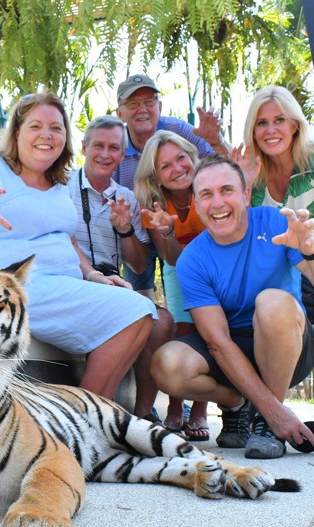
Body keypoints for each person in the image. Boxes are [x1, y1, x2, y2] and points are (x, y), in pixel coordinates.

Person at [0, 92, 157, 401]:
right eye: (36, 126)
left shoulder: (58, 180)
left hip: (63, 285)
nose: (46, 135)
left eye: (56, 127)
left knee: (138, 309)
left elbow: (66, 238)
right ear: (17, 132)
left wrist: (93, 276)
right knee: (137, 310)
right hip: (16, 287)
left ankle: (91, 415)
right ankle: (79, 417)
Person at [150, 154, 314, 459]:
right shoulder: (192, 258)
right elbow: (217, 342)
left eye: (226, 190)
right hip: (232, 348)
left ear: (245, 195)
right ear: (196, 203)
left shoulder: (277, 224)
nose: (217, 203)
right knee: (166, 364)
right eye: (206, 194)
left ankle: (265, 423)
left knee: (271, 302)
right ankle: (238, 403)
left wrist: (312, 248)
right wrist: (275, 411)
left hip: (286, 342)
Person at [240, 85, 314, 452]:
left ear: (294, 125)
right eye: (262, 123)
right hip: (275, 251)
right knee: (269, 317)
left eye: (279, 121)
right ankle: (269, 412)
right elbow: (245, 222)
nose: (270, 129)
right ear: (253, 129)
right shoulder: (253, 169)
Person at [67, 115, 180, 429]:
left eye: (114, 148)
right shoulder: (61, 188)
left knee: (164, 322)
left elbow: (140, 265)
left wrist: (126, 230)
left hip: (112, 289)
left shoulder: (127, 198)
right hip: (73, 285)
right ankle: (84, 417)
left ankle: (142, 415)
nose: (105, 154)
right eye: (98, 146)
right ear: (84, 148)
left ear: (122, 153)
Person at [113, 73, 227, 302]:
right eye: (133, 104)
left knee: (183, 282)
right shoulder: (116, 144)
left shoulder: (177, 131)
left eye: (149, 102)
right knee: (140, 295)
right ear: (120, 113)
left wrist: (217, 141)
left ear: (160, 106)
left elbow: (221, 165)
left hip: (181, 222)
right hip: (139, 223)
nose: (142, 109)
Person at [133, 130, 210, 441]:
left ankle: (202, 409)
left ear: (192, 158)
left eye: (181, 158)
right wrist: (167, 232)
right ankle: (176, 406)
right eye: (166, 166)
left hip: (216, 266)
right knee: (181, 330)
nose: (177, 168)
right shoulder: (155, 204)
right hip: (178, 266)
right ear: (157, 177)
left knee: (210, 331)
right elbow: (172, 259)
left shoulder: (208, 189)